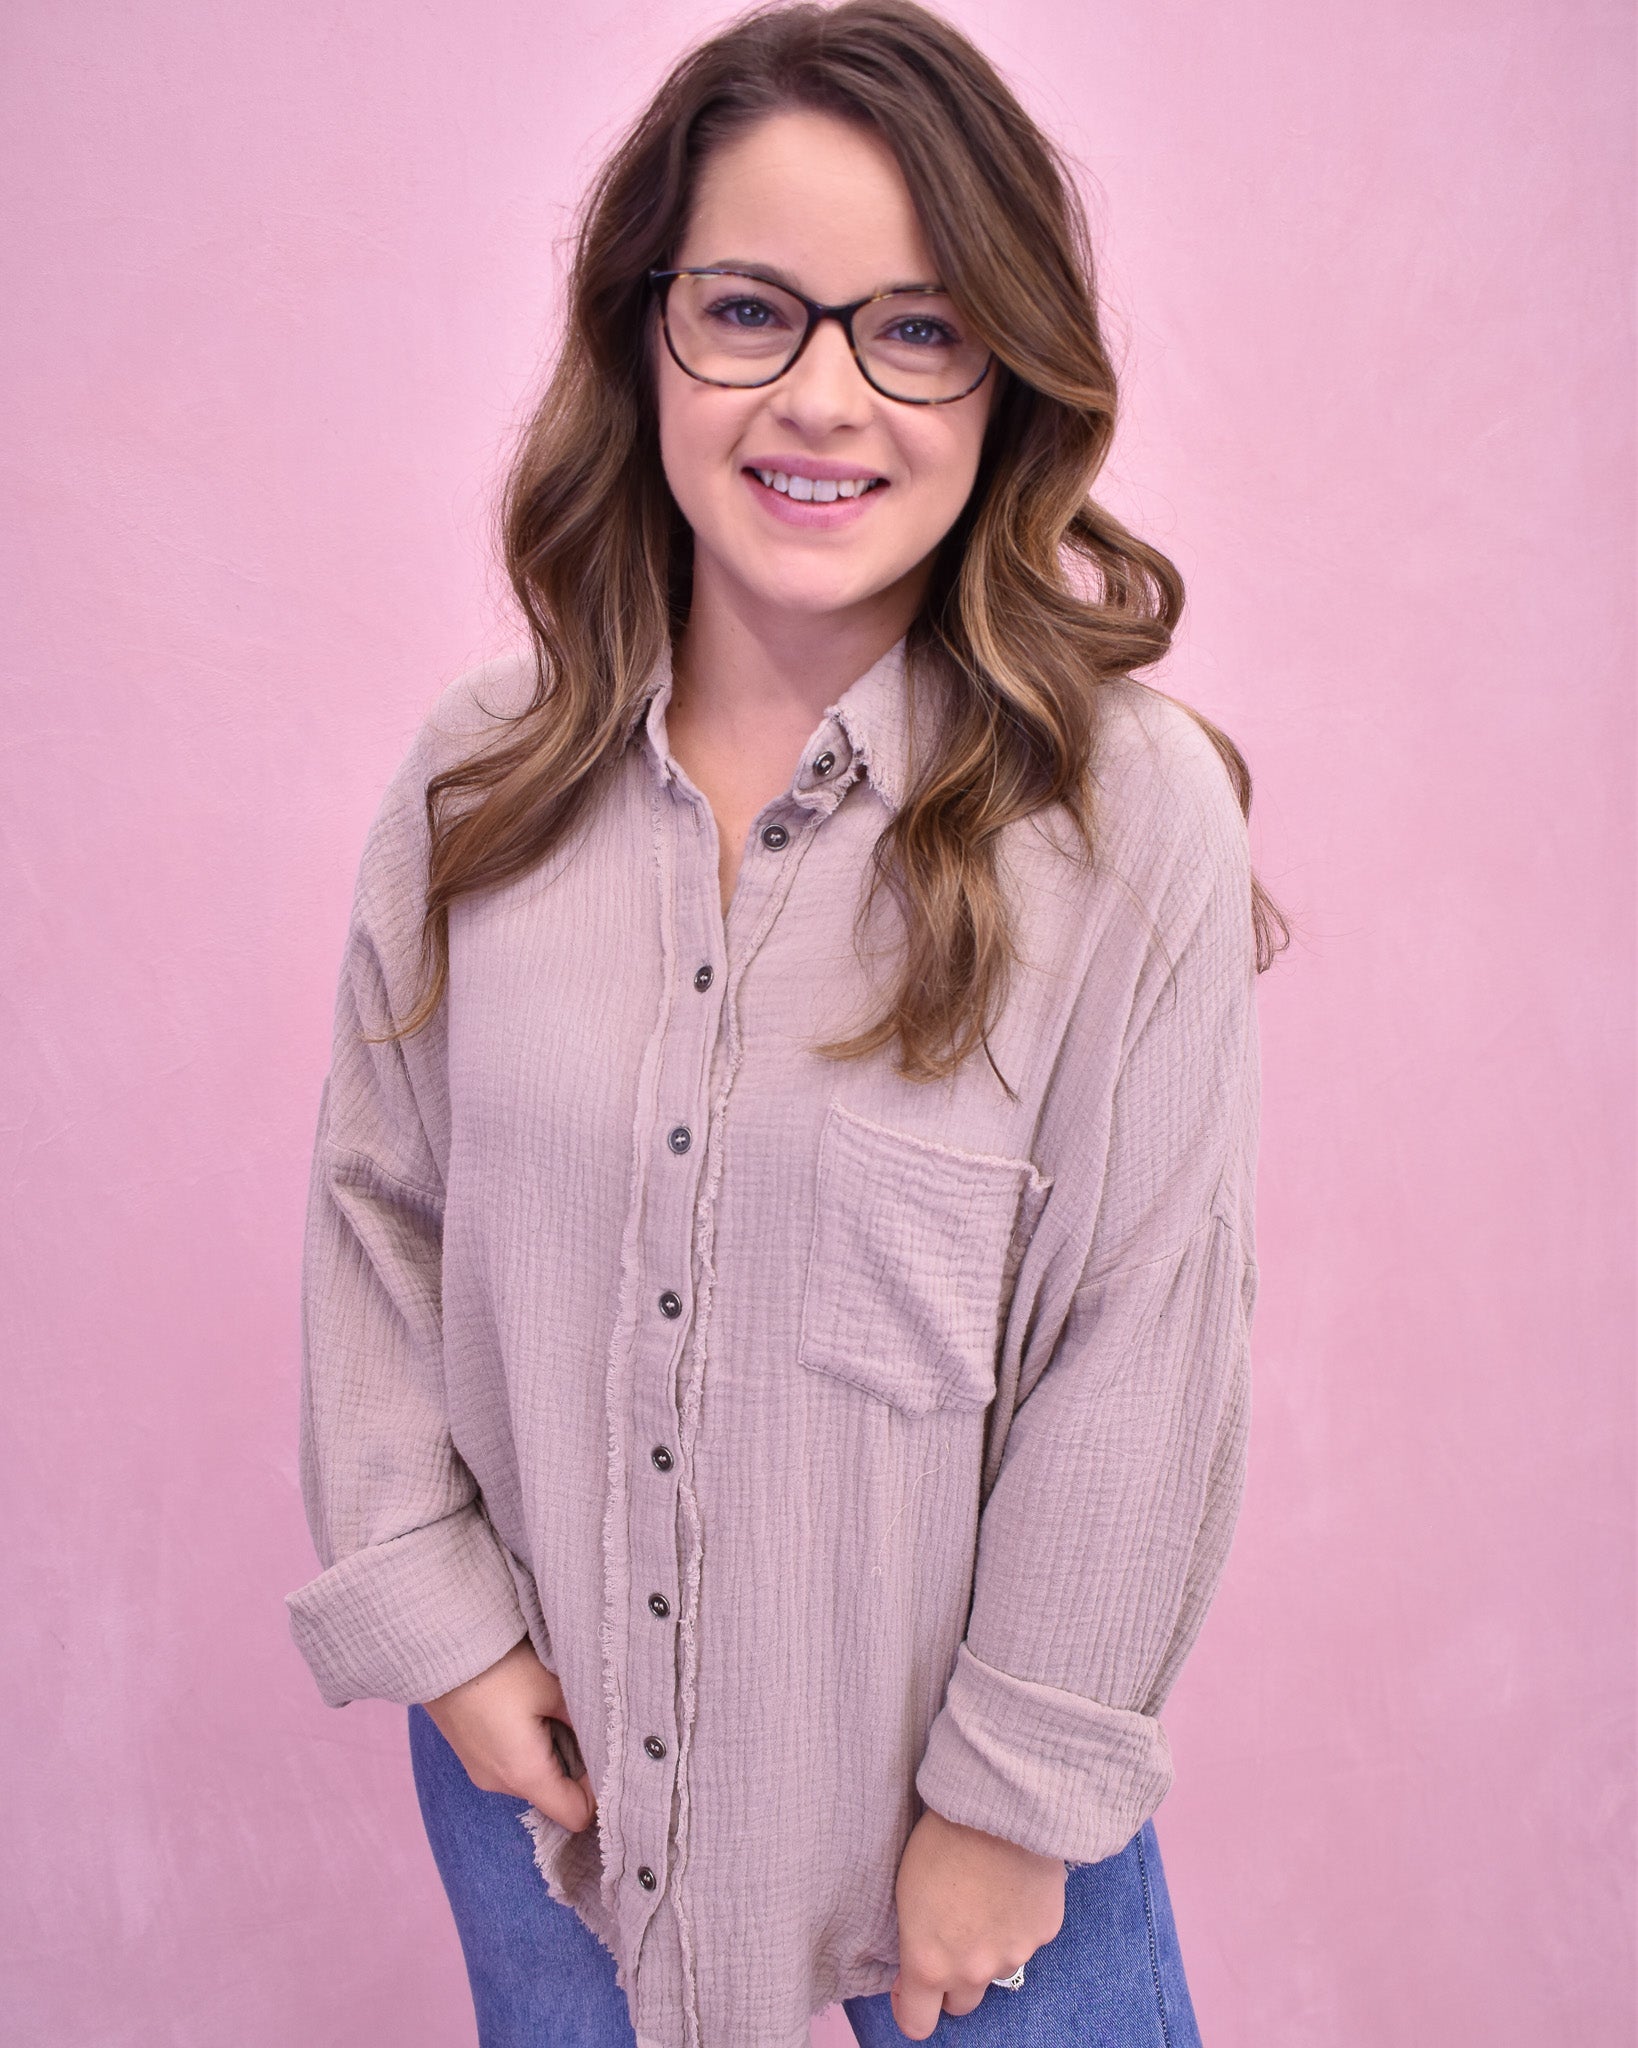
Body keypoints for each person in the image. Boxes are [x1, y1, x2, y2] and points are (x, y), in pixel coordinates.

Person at [284, 2, 1284, 2043]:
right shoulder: (481, 779)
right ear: (646, 327)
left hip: (976, 1874)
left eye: (916, 330)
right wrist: (441, 1626)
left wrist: (1010, 1811)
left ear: (1005, 381)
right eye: (752, 308)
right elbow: (377, 1212)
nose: (824, 399)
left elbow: (1143, 1329)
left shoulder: (1125, 810)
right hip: (549, 1808)